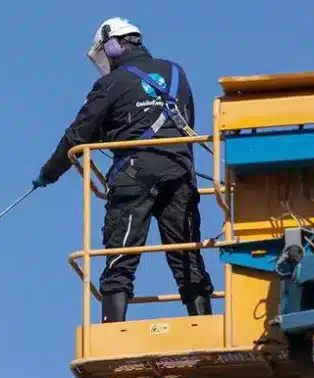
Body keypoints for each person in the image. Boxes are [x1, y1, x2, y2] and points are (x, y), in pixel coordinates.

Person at [33, 17, 214, 323]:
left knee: (119, 255)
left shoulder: (111, 83)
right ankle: (204, 326)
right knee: (187, 254)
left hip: (134, 174)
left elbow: (79, 134)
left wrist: (50, 172)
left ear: (114, 44)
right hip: (180, 172)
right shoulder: (176, 72)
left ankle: (112, 332)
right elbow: (187, 121)